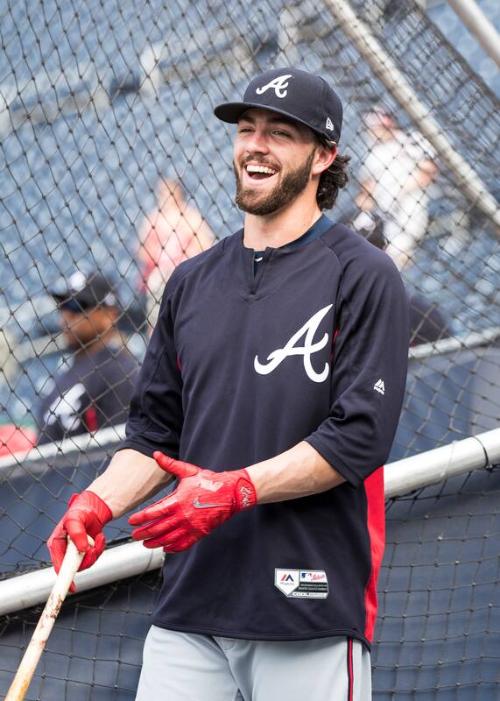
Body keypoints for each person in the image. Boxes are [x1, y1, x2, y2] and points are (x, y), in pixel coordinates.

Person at [47, 68, 409, 700]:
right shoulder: (190, 282)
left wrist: (236, 490)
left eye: (280, 133)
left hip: (308, 608)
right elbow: (154, 436)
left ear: (324, 157)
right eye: (246, 129)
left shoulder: (363, 274)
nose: (255, 145)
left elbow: (359, 438)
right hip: (190, 609)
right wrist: (96, 503)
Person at [36, 271, 140, 444]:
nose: (66, 316)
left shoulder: (120, 371)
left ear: (109, 315)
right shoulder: (63, 377)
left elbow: (119, 446)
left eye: (77, 306)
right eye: (63, 305)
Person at [356, 106, 438, 269]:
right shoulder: (373, 155)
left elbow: (429, 172)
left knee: (397, 254)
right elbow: (365, 194)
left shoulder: (410, 139)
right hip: (386, 214)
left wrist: (399, 190)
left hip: (415, 203)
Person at [138, 177, 215, 326]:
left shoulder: (191, 217)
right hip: (160, 277)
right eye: (162, 192)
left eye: (169, 192)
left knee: (185, 320)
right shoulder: (154, 218)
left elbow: (206, 245)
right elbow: (143, 250)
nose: (165, 195)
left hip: (187, 276)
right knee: (156, 321)